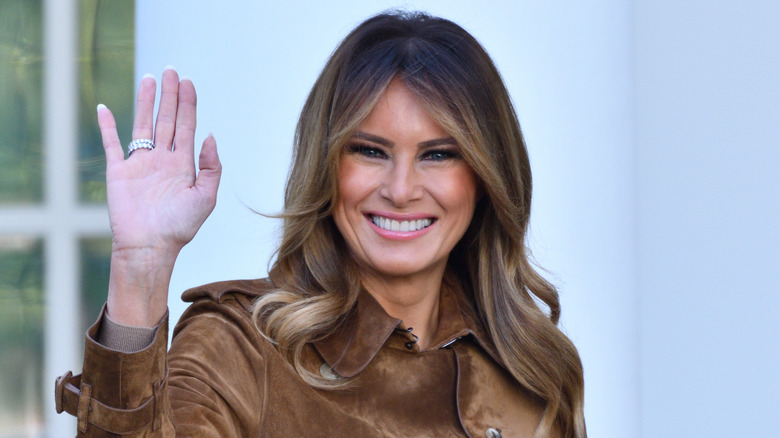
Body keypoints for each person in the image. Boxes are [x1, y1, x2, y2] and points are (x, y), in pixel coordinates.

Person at [54, 11, 585, 438]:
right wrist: (140, 270)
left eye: (439, 154)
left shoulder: (533, 370)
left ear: (485, 176)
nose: (401, 189)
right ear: (326, 166)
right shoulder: (241, 345)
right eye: (370, 150)